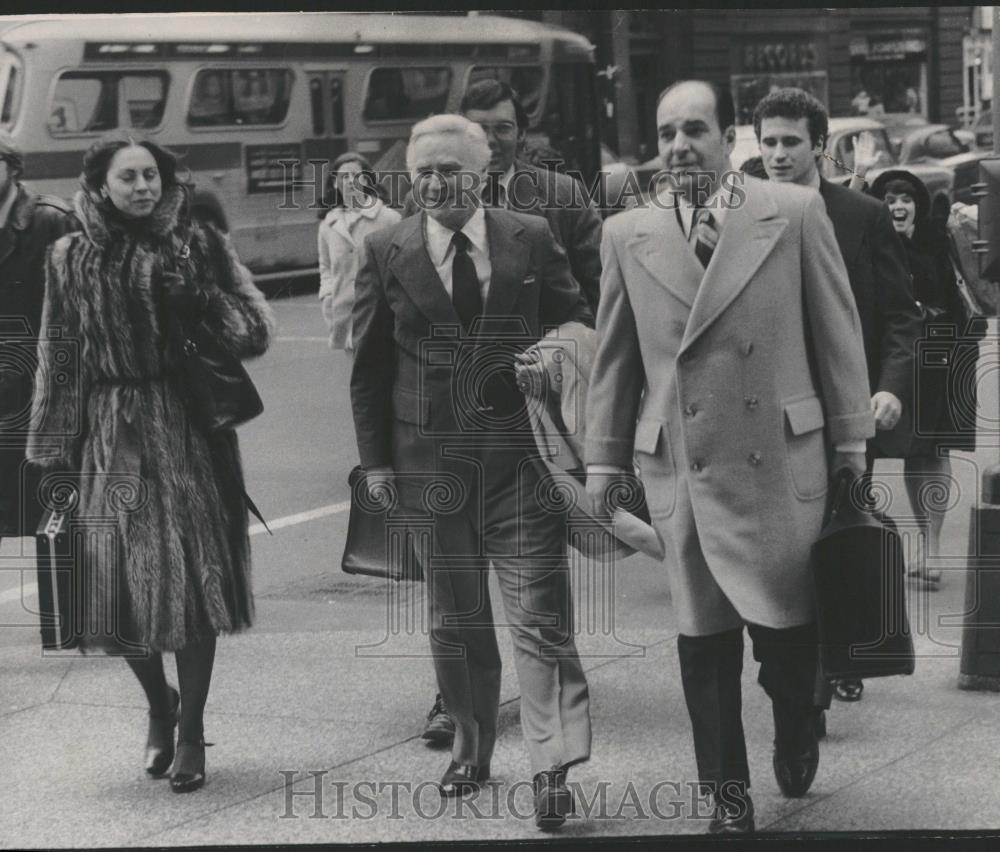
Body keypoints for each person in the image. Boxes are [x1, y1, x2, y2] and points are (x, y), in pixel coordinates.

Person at [585, 80, 874, 834]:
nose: (679, 146)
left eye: (695, 130)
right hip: (684, 463)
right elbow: (615, 360)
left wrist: (851, 446)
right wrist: (603, 462)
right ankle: (726, 797)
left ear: (728, 136)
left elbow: (837, 334)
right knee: (703, 644)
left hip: (780, 461)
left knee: (785, 640)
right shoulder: (627, 234)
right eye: (666, 132)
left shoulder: (793, 213)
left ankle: (796, 724)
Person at [351, 114, 593, 829]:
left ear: (483, 174)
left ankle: (553, 763)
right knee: (456, 621)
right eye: (421, 171)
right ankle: (471, 741)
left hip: (519, 462)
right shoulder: (385, 247)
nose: (432, 182)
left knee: (542, 618)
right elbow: (369, 367)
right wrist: (376, 463)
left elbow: (579, 325)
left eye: (449, 170)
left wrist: (549, 360)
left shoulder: (530, 236)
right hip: (430, 468)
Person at [27, 132, 274, 793]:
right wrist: (52, 450)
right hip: (110, 432)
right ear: (101, 185)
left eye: (151, 177)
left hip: (190, 431)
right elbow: (59, 351)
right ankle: (158, 704)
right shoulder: (69, 256)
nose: (142, 187)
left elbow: (254, 330)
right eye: (127, 177)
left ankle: (190, 728)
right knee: (116, 593)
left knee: (197, 588)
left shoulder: (198, 244)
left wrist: (201, 302)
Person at [753, 87, 923, 707]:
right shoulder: (743, 214)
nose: (776, 154)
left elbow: (901, 318)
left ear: (819, 146)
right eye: (767, 142)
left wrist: (888, 388)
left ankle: (838, 658)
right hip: (769, 413)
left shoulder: (862, 216)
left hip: (848, 408)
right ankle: (800, 668)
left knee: (843, 533)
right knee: (785, 546)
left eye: (790, 142)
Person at [869, 169, 984, 585]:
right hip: (897, 357)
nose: (897, 206)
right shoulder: (871, 242)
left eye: (905, 198)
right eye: (888, 198)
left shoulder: (938, 238)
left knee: (933, 450)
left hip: (944, 351)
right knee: (910, 450)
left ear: (917, 203)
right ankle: (918, 545)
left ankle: (931, 549)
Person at [402, 80, 602, 314]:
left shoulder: (565, 195)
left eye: (503, 128)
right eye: (479, 130)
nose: (490, 140)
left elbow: (598, 287)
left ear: (522, 134)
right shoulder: (421, 200)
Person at [0, 132, 76, 649]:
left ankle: (66, 625)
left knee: (53, 505)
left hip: (38, 389)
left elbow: (76, 312)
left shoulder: (50, 220)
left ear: (10, 166)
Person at [317, 152, 400, 354]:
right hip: (346, 316)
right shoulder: (328, 225)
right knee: (359, 380)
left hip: (382, 315)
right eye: (344, 177)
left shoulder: (389, 219)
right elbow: (325, 267)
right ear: (335, 184)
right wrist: (327, 295)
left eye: (356, 176)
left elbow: (401, 265)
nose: (350, 182)